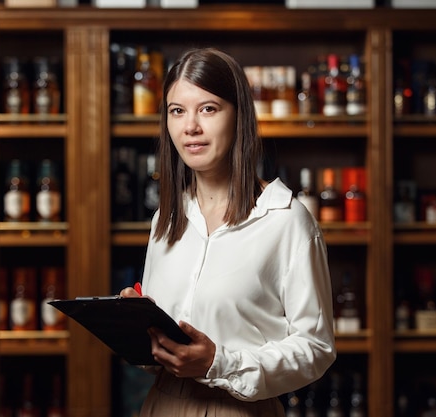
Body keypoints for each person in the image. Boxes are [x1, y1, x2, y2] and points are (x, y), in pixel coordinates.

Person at [120, 47, 336, 417]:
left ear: (239, 116)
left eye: (208, 109)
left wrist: (218, 363)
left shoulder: (286, 220)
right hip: (160, 404)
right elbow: (158, 356)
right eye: (177, 111)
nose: (190, 127)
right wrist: (140, 327)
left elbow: (316, 349)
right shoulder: (166, 219)